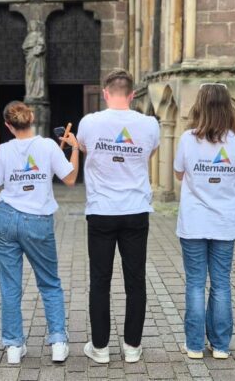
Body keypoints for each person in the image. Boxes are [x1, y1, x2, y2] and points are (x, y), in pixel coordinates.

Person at [0, 101, 79, 364]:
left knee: (10, 286)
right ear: (32, 117)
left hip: (5, 219)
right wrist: (75, 149)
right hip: (37, 221)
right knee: (49, 283)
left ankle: (14, 346)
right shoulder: (48, 146)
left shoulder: (2, 150)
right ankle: (58, 342)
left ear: (7, 125)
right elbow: (70, 179)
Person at [77, 68, 160, 364]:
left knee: (100, 280)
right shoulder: (149, 124)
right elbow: (148, 155)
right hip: (135, 209)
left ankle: (100, 348)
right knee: (135, 280)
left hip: (101, 210)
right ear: (133, 94)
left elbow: (86, 149)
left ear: (105, 93)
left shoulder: (89, 122)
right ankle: (132, 347)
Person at [174, 83, 235, 360]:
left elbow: (179, 174)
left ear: (200, 106)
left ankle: (194, 345)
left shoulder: (187, 139)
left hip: (194, 221)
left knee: (195, 284)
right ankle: (220, 346)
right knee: (221, 283)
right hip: (224, 223)